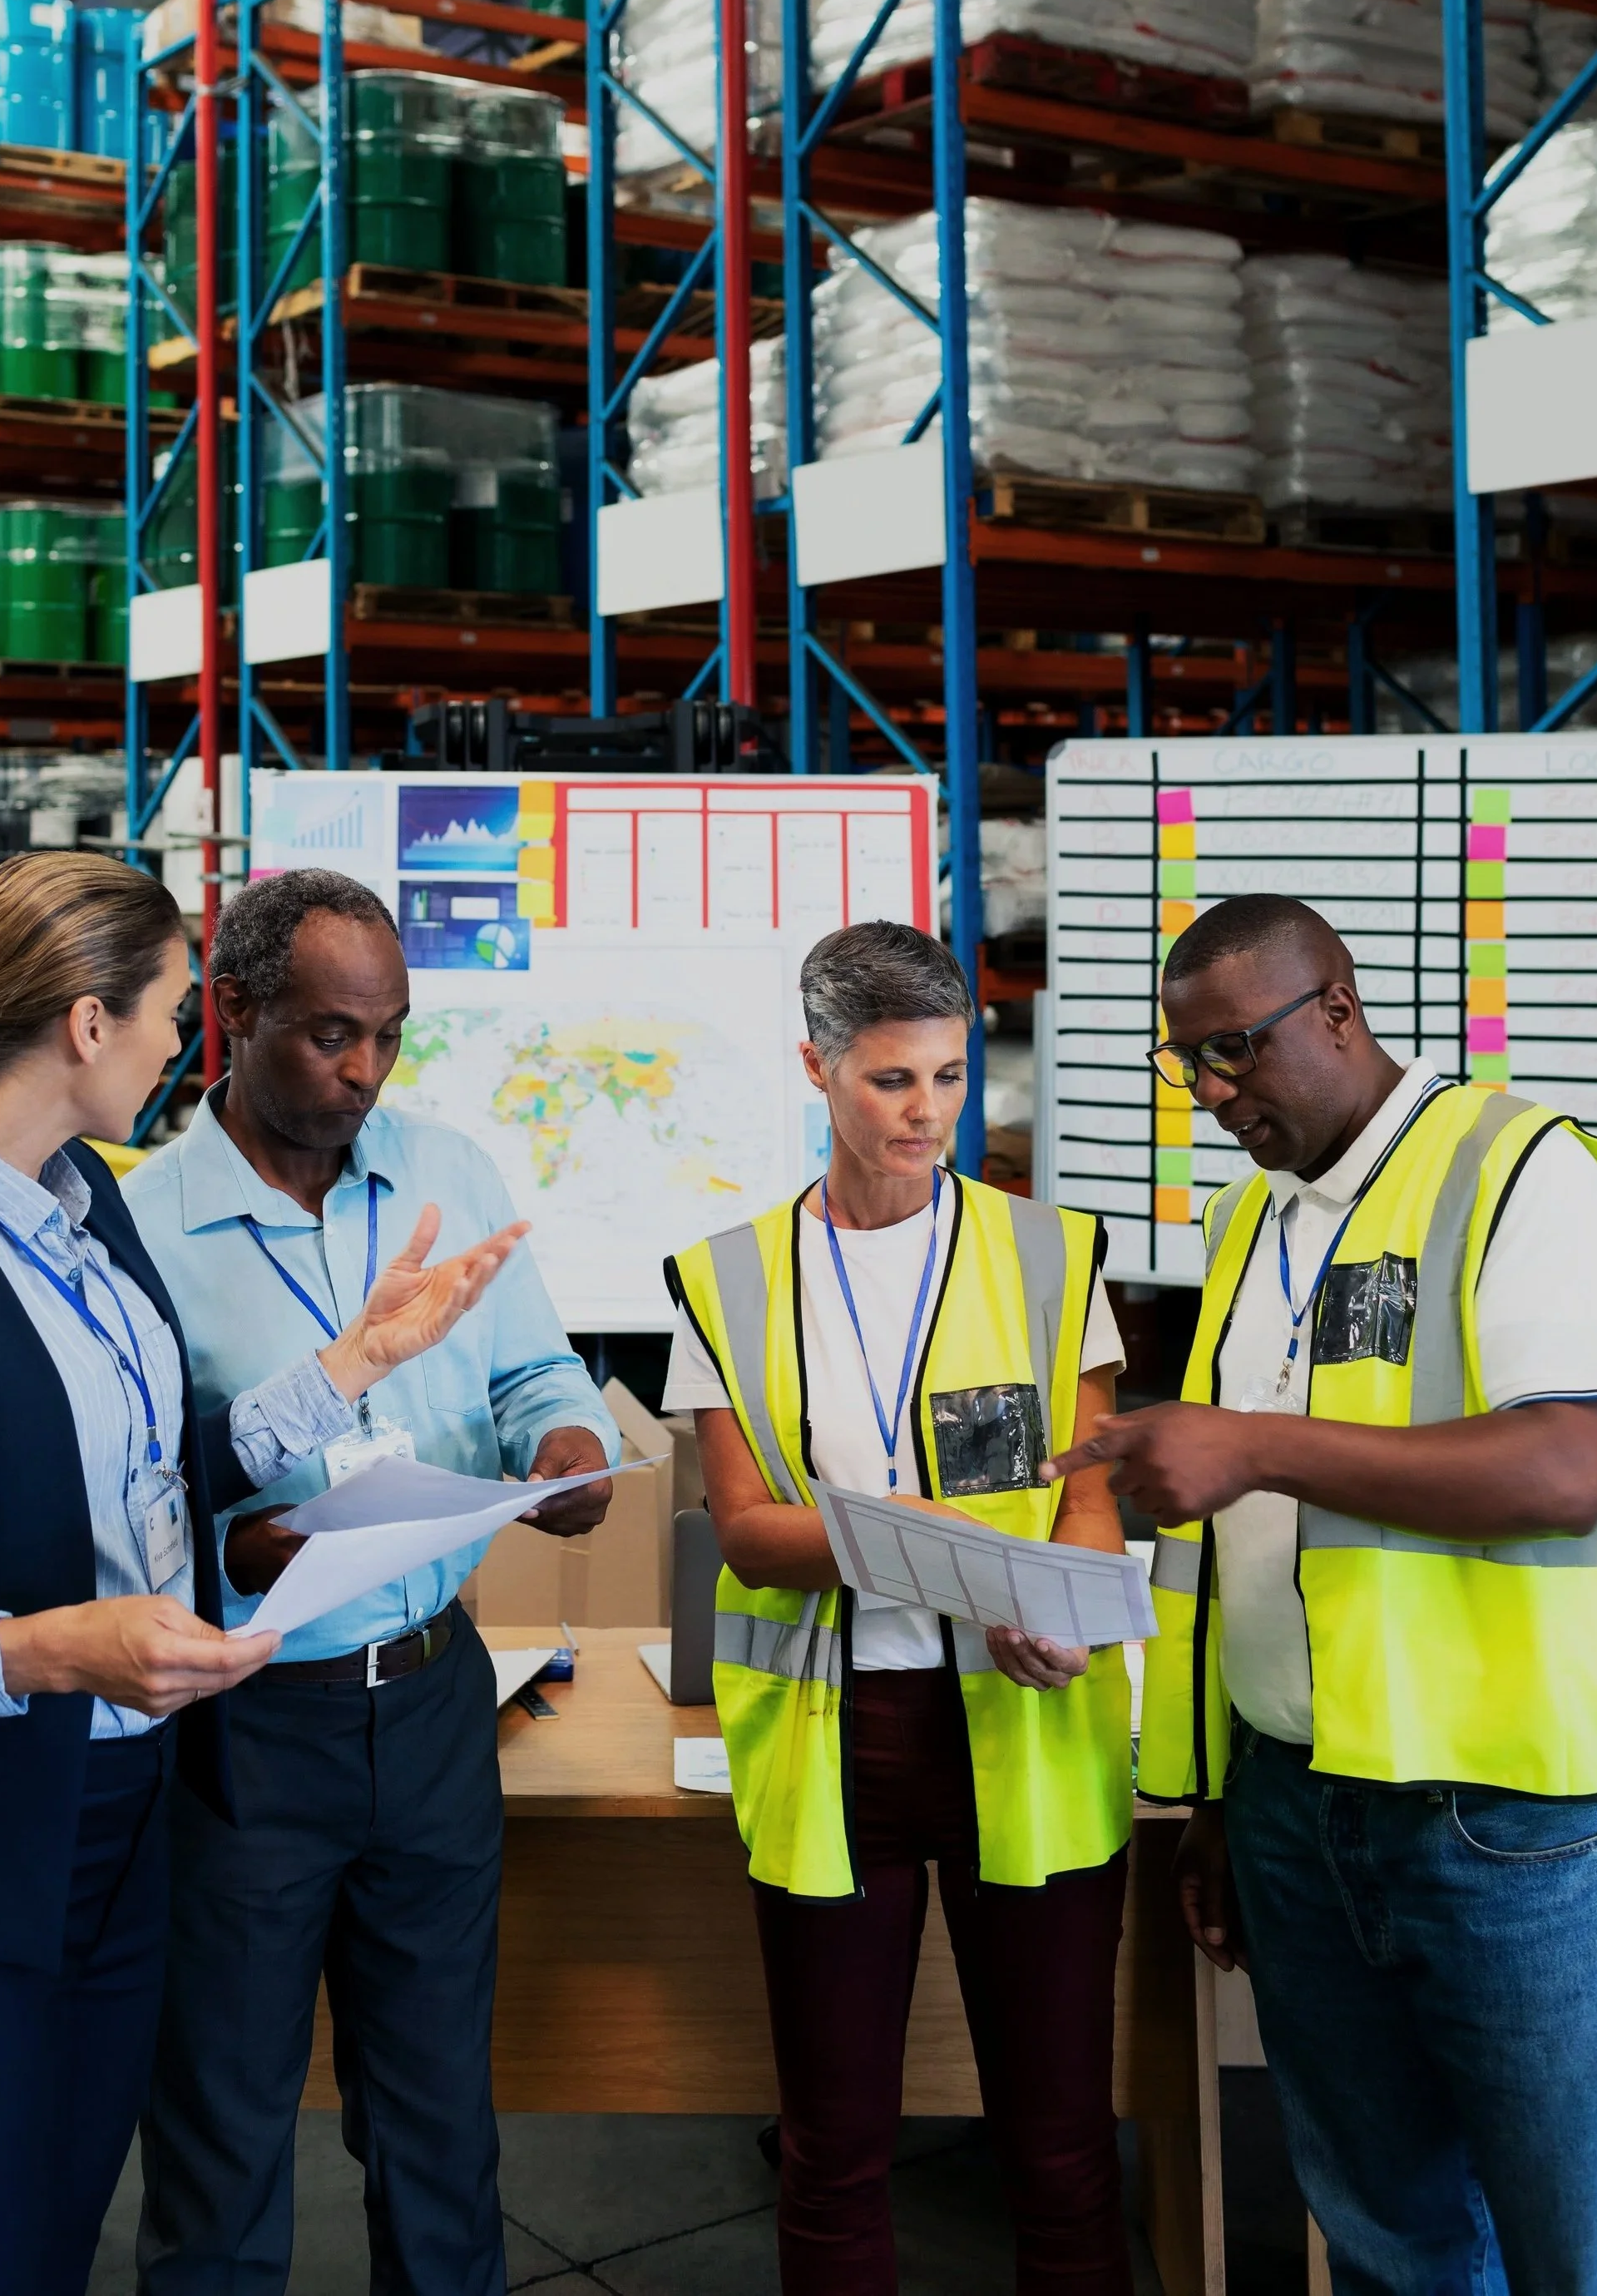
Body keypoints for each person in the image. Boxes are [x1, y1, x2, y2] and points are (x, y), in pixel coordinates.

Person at [0, 852, 523, 2296]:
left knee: (56, 2250)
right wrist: (47, 1650)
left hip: (121, 1825)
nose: (175, 1045)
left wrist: (360, 1362)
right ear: (88, 1025)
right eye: (163, 1011)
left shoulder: (86, 1210)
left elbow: (159, 1473)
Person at [1054, 890, 1597, 2296]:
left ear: (1337, 1009)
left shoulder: (1521, 1169)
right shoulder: (1254, 1217)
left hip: (1502, 1819)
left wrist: (1247, 1442)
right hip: (1297, 1805)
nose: (1212, 1092)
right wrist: (1215, 1802)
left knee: (1574, 2242)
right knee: (1383, 2234)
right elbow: (1244, 1549)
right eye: (1187, 1064)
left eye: (1238, 1051)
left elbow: (1565, 1465)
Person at [122, 865, 621, 2296]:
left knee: (440, 2122)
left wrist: (567, 1445)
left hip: (432, 1703)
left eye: (390, 1032)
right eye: (330, 1033)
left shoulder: (451, 1171)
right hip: (245, 1726)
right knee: (224, 2126)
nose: (364, 1069)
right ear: (234, 1011)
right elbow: (123, 1500)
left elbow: (532, 1369)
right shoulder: (144, 1233)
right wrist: (235, 1547)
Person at [664, 918, 1137, 2296]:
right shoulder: (730, 1277)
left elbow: (1090, 1494)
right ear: (815, 1068)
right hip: (835, 1748)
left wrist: (1067, 1604)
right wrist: (906, 1541)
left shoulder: (1052, 1254)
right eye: (889, 1081)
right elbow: (750, 1536)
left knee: (1057, 2149)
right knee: (834, 2149)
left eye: (947, 1074)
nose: (926, 1112)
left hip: (1030, 1728)